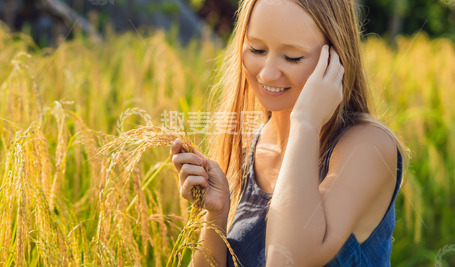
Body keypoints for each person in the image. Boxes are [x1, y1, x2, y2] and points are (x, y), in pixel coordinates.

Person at [170, 0, 406, 266]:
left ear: (336, 58)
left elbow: (287, 258)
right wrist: (217, 215)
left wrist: (305, 122)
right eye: (257, 49)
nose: (268, 74)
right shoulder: (245, 148)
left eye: (293, 57)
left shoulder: (366, 147)